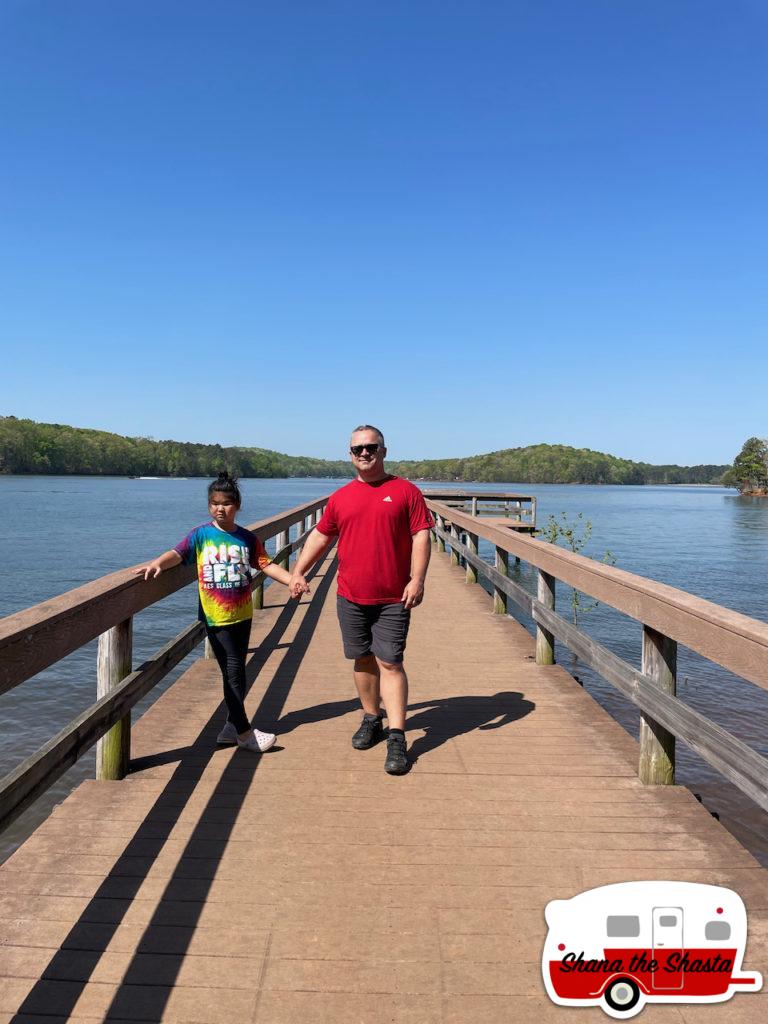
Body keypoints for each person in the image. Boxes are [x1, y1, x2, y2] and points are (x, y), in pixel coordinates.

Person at [289, 425, 433, 774]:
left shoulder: (405, 492)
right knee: (362, 659)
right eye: (357, 449)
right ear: (350, 455)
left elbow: (421, 535)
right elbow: (321, 536)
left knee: (391, 662)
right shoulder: (340, 497)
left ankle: (397, 736)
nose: (364, 453)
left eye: (371, 447)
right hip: (351, 594)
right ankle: (372, 718)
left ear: (384, 451)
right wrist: (299, 571)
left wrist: (417, 579)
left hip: (393, 596)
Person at [135, 471, 306, 752]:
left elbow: (265, 564)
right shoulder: (201, 535)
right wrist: (157, 563)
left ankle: (230, 727)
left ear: (237, 505)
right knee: (233, 671)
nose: (220, 508)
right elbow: (177, 553)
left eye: (226, 503)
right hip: (215, 615)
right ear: (208, 506)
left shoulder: (247, 538)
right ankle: (243, 732)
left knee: (237, 671)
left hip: (242, 613)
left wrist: (292, 580)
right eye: (214, 503)